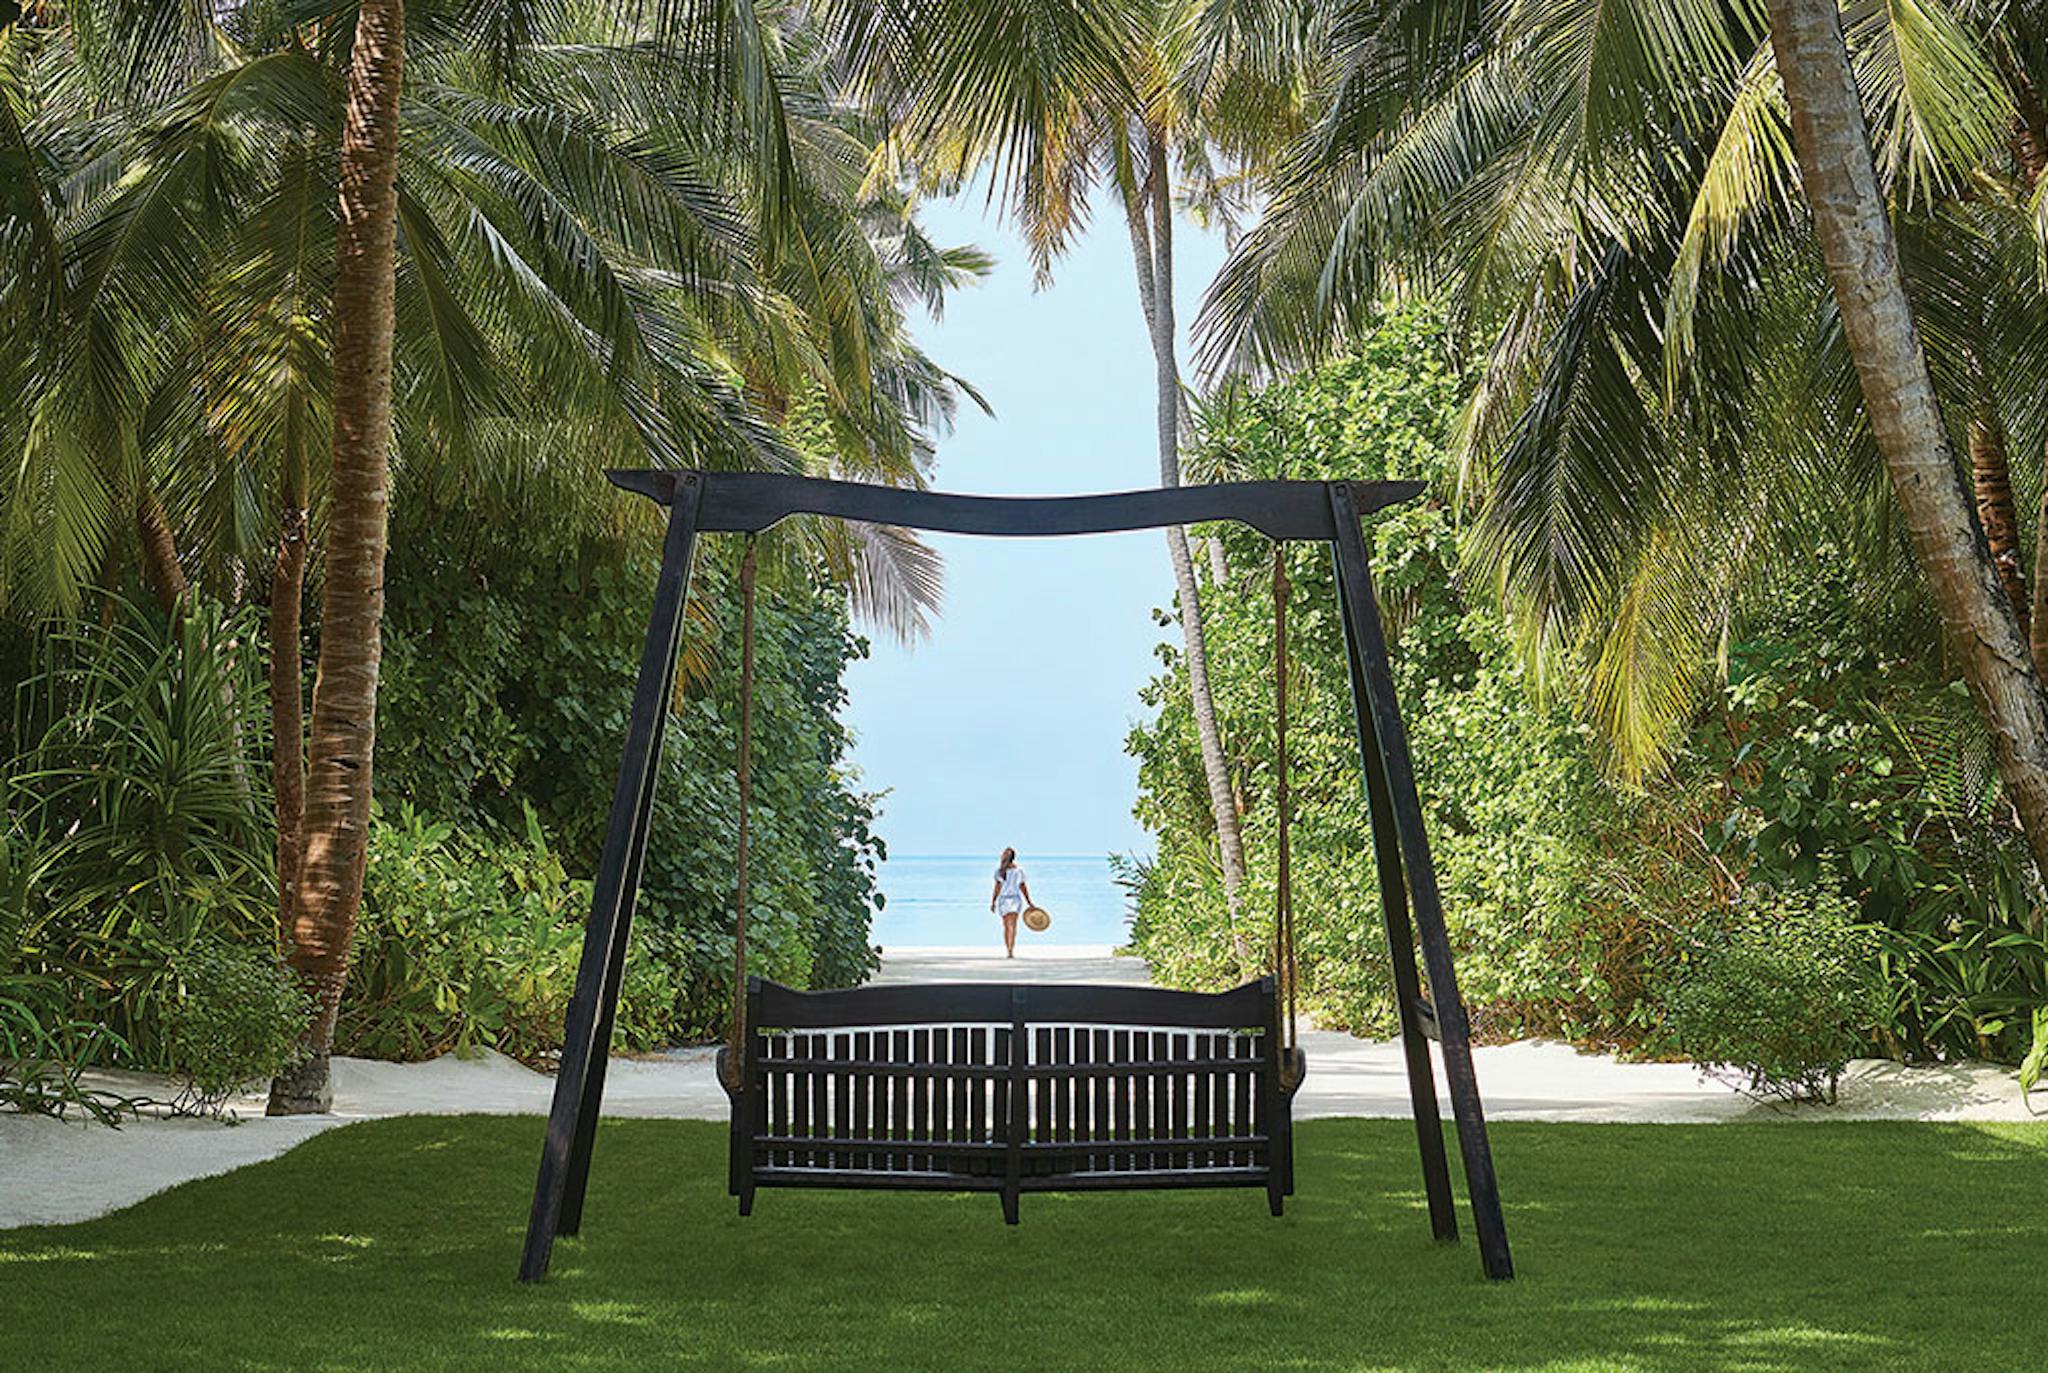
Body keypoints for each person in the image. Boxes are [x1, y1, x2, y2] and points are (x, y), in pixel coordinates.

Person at [989, 847, 1033, 958]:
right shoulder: (1018, 871)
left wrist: (993, 901)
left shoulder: (1000, 871)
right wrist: (1029, 902)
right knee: (1012, 926)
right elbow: (1023, 887)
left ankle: (1009, 950)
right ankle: (1010, 950)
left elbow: (997, 888)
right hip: (1014, 899)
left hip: (1005, 899)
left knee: (1006, 926)